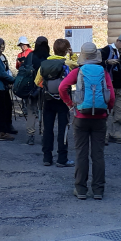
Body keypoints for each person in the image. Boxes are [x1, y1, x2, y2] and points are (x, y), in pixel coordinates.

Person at [60, 42, 116, 200]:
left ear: (83, 56)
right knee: (98, 154)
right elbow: (111, 95)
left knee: (81, 154)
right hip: (100, 118)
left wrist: (71, 105)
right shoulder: (103, 72)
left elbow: (62, 87)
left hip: (81, 117)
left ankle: (81, 189)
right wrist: (108, 109)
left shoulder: (78, 71)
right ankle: (98, 190)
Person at [36, 38, 73, 167]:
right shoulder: (67, 62)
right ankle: (62, 159)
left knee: (48, 129)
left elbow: (37, 81)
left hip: (48, 99)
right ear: (66, 50)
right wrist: (72, 54)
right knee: (63, 129)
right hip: (64, 100)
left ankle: (47, 157)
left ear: (53, 49)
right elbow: (79, 65)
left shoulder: (44, 64)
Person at [100, 34, 121, 144]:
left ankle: (116, 134)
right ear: (118, 41)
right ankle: (103, 135)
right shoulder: (105, 50)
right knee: (106, 110)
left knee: (120, 110)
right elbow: (97, 62)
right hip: (108, 85)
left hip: (120, 85)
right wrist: (107, 62)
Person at [21, 36, 50, 144]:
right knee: (45, 111)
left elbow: (24, 70)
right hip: (46, 88)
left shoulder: (31, 56)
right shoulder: (49, 58)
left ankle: (30, 136)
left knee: (31, 111)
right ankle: (43, 134)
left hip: (32, 88)